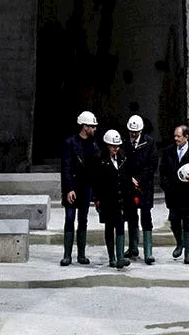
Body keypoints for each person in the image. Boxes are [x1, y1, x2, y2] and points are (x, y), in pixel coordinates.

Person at [59, 110, 100, 266]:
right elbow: (66, 167)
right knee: (69, 218)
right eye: (92, 126)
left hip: (86, 187)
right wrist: (69, 189)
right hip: (73, 186)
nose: (94, 129)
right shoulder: (70, 143)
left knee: (83, 220)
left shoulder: (94, 146)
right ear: (84, 126)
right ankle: (67, 255)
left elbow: (95, 170)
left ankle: (81, 255)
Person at [93, 129, 137, 269]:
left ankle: (120, 257)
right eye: (113, 146)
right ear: (107, 145)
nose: (115, 149)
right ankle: (112, 257)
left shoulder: (123, 157)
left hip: (121, 198)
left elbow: (126, 173)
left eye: (117, 146)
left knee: (120, 226)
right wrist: (97, 199)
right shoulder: (100, 159)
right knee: (109, 226)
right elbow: (96, 182)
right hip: (107, 198)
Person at [158, 123, 189, 263]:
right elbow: (162, 171)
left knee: (188, 222)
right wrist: (166, 186)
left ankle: (188, 253)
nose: (176, 139)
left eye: (178, 136)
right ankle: (180, 243)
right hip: (173, 193)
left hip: (188, 193)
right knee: (174, 220)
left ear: (186, 137)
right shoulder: (169, 151)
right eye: (175, 136)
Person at [123, 114, 158, 264]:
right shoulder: (125, 144)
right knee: (131, 216)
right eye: (131, 132)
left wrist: (140, 179)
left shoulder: (149, 143)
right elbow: (122, 163)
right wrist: (129, 178)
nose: (134, 134)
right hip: (129, 184)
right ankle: (133, 247)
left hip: (145, 185)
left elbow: (152, 164)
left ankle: (148, 251)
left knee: (146, 216)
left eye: (136, 132)